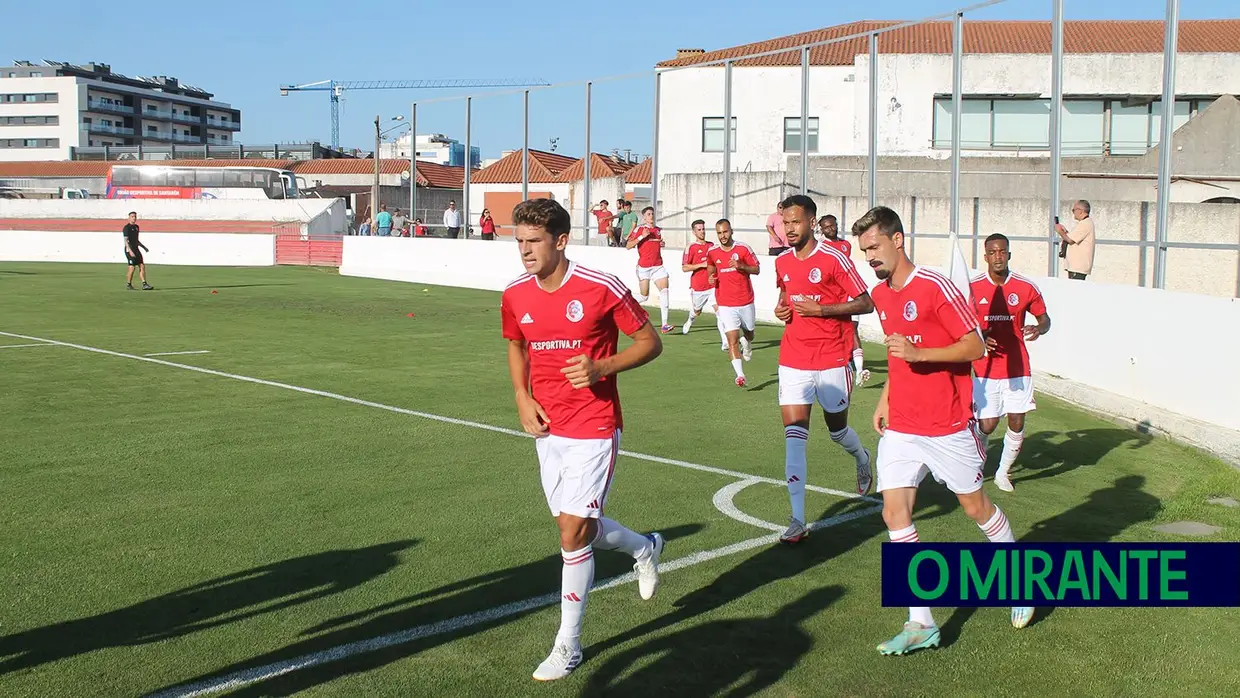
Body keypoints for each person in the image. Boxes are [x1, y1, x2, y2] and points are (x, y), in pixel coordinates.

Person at [854, 205, 1033, 656]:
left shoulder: (935, 287)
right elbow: (899, 352)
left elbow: (974, 344)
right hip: (904, 427)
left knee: (975, 508)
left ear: (898, 240)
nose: (870, 256)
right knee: (894, 514)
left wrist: (922, 356)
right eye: (864, 250)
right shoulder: (882, 294)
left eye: (875, 246)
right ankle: (921, 622)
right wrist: (886, 397)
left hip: (950, 425)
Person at [500, 198, 665, 681]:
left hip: (594, 423)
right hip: (547, 426)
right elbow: (516, 344)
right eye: (519, 242)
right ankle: (644, 548)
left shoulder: (600, 287)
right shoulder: (515, 294)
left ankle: (568, 643)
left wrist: (602, 367)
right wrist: (520, 396)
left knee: (572, 532)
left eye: (534, 242)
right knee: (581, 528)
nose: (525, 251)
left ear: (561, 240)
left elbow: (651, 342)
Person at [773, 196, 875, 543]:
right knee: (794, 438)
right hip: (793, 359)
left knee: (837, 432)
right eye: (785, 223)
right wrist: (782, 310)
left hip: (832, 358)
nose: (789, 229)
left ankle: (862, 456)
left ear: (812, 222)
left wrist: (823, 310)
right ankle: (797, 519)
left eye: (795, 222)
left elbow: (866, 301)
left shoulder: (834, 259)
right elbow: (786, 297)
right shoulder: (783, 261)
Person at [970, 233, 1052, 493]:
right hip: (986, 368)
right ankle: (975, 464)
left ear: (1009, 254)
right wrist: (981, 337)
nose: (998, 257)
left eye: (1002, 252)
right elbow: (961, 325)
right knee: (988, 425)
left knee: (1017, 421)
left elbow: (1045, 319)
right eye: (993, 252)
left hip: (1017, 367)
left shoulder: (1025, 287)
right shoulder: (972, 287)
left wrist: (1040, 328)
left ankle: (1002, 473)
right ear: (985, 256)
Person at [706, 219, 760, 387]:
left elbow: (757, 269)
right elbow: (710, 267)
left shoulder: (743, 248)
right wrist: (710, 277)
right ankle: (740, 375)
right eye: (719, 233)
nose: (723, 236)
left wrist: (741, 266)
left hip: (745, 301)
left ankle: (748, 342)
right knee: (732, 339)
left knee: (749, 333)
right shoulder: (713, 251)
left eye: (725, 232)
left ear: (731, 231)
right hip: (725, 303)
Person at [819, 214, 869, 386]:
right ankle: (837, 362)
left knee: (853, 328)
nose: (831, 229)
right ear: (821, 229)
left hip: (849, 293)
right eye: (827, 227)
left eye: (833, 225)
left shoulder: (845, 245)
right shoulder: (820, 247)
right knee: (834, 331)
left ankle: (860, 370)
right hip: (832, 296)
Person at [625, 206, 674, 334]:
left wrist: (661, 244)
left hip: (658, 266)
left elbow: (656, 244)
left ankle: (664, 324)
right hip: (644, 267)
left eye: (652, 213)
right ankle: (626, 302)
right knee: (644, 296)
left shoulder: (657, 230)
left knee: (664, 291)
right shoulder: (640, 229)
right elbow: (628, 246)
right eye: (648, 214)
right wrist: (641, 237)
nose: (651, 215)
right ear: (644, 217)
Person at [680, 219, 725, 344]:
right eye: (699, 230)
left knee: (720, 313)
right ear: (694, 232)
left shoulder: (712, 246)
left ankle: (725, 342)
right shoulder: (691, 247)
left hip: (713, 286)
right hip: (698, 287)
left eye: (703, 229)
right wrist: (702, 264)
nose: (702, 232)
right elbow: (684, 267)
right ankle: (690, 320)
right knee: (697, 311)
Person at [1055, 200, 1095, 280]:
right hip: (1075, 267)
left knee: (1076, 290)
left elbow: (1070, 240)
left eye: (1074, 210)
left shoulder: (1085, 224)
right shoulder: (1084, 223)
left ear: (1080, 211)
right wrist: (1064, 231)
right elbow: (1073, 237)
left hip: (1078, 267)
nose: (1073, 212)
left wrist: (1059, 231)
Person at [122, 211, 153, 291]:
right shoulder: (126, 228)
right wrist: (130, 250)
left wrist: (143, 247)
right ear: (129, 218)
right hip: (129, 250)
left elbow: (136, 240)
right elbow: (126, 240)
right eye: (132, 216)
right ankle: (129, 284)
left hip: (136, 249)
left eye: (135, 216)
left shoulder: (136, 227)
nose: (134, 218)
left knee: (142, 265)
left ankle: (144, 284)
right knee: (132, 268)